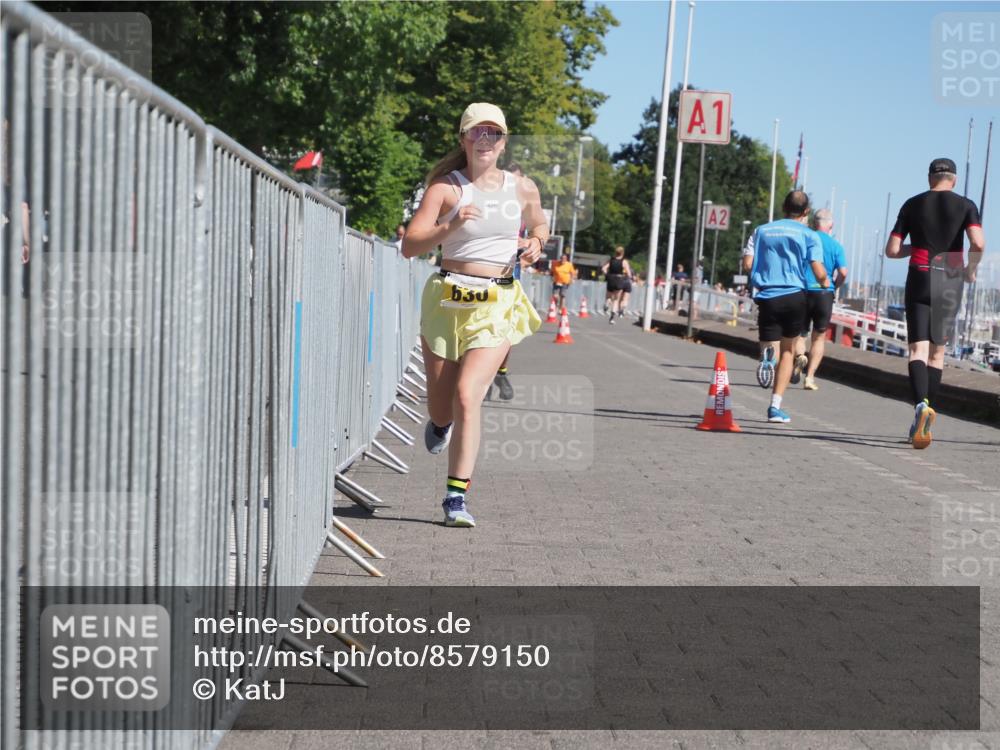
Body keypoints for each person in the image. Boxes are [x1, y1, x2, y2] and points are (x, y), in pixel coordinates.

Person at [402, 103, 547, 526]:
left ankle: (455, 499)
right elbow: (411, 245)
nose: (486, 140)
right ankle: (440, 423)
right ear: (464, 138)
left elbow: (540, 224)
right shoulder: (446, 189)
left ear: (504, 141)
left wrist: (537, 242)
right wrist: (449, 226)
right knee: (443, 404)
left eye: (495, 133)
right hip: (447, 298)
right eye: (478, 132)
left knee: (469, 394)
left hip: (497, 300)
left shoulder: (522, 187)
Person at [885, 157, 984, 449]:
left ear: (930, 178)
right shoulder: (966, 206)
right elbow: (978, 243)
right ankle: (928, 411)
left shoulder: (912, 204)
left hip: (919, 273)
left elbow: (891, 250)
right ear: (953, 179)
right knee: (937, 354)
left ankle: (920, 407)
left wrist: (914, 249)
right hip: (949, 276)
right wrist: (971, 269)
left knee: (917, 348)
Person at [748, 191, 829, 423]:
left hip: (767, 296)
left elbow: (748, 262)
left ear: (784, 207)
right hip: (794, 296)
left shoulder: (762, 230)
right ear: (806, 212)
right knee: (788, 350)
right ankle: (775, 407)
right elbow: (818, 269)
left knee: (769, 345)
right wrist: (824, 282)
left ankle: (766, 360)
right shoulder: (810, 235)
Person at [799, 208, 848, 390]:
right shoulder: (836, 246)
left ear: (814, 223)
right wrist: (834, 286)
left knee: (800, 334)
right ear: (831, 225)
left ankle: (799, 357)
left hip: (804, 290)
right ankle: (809, 377)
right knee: (818, 338)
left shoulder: (806, 239)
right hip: (824, 292)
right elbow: (843, 272)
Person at [601, 246, 632, 324]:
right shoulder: (624, 261)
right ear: (622, 253)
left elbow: (603, 268)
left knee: (608, 297)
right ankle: (611, 318)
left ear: (616, 252)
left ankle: (607, 303)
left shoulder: (611, 260)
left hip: (610, 278)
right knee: (616, 300)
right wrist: (627, 277)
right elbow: (629, 273)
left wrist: (607, 274)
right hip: (619, 279)